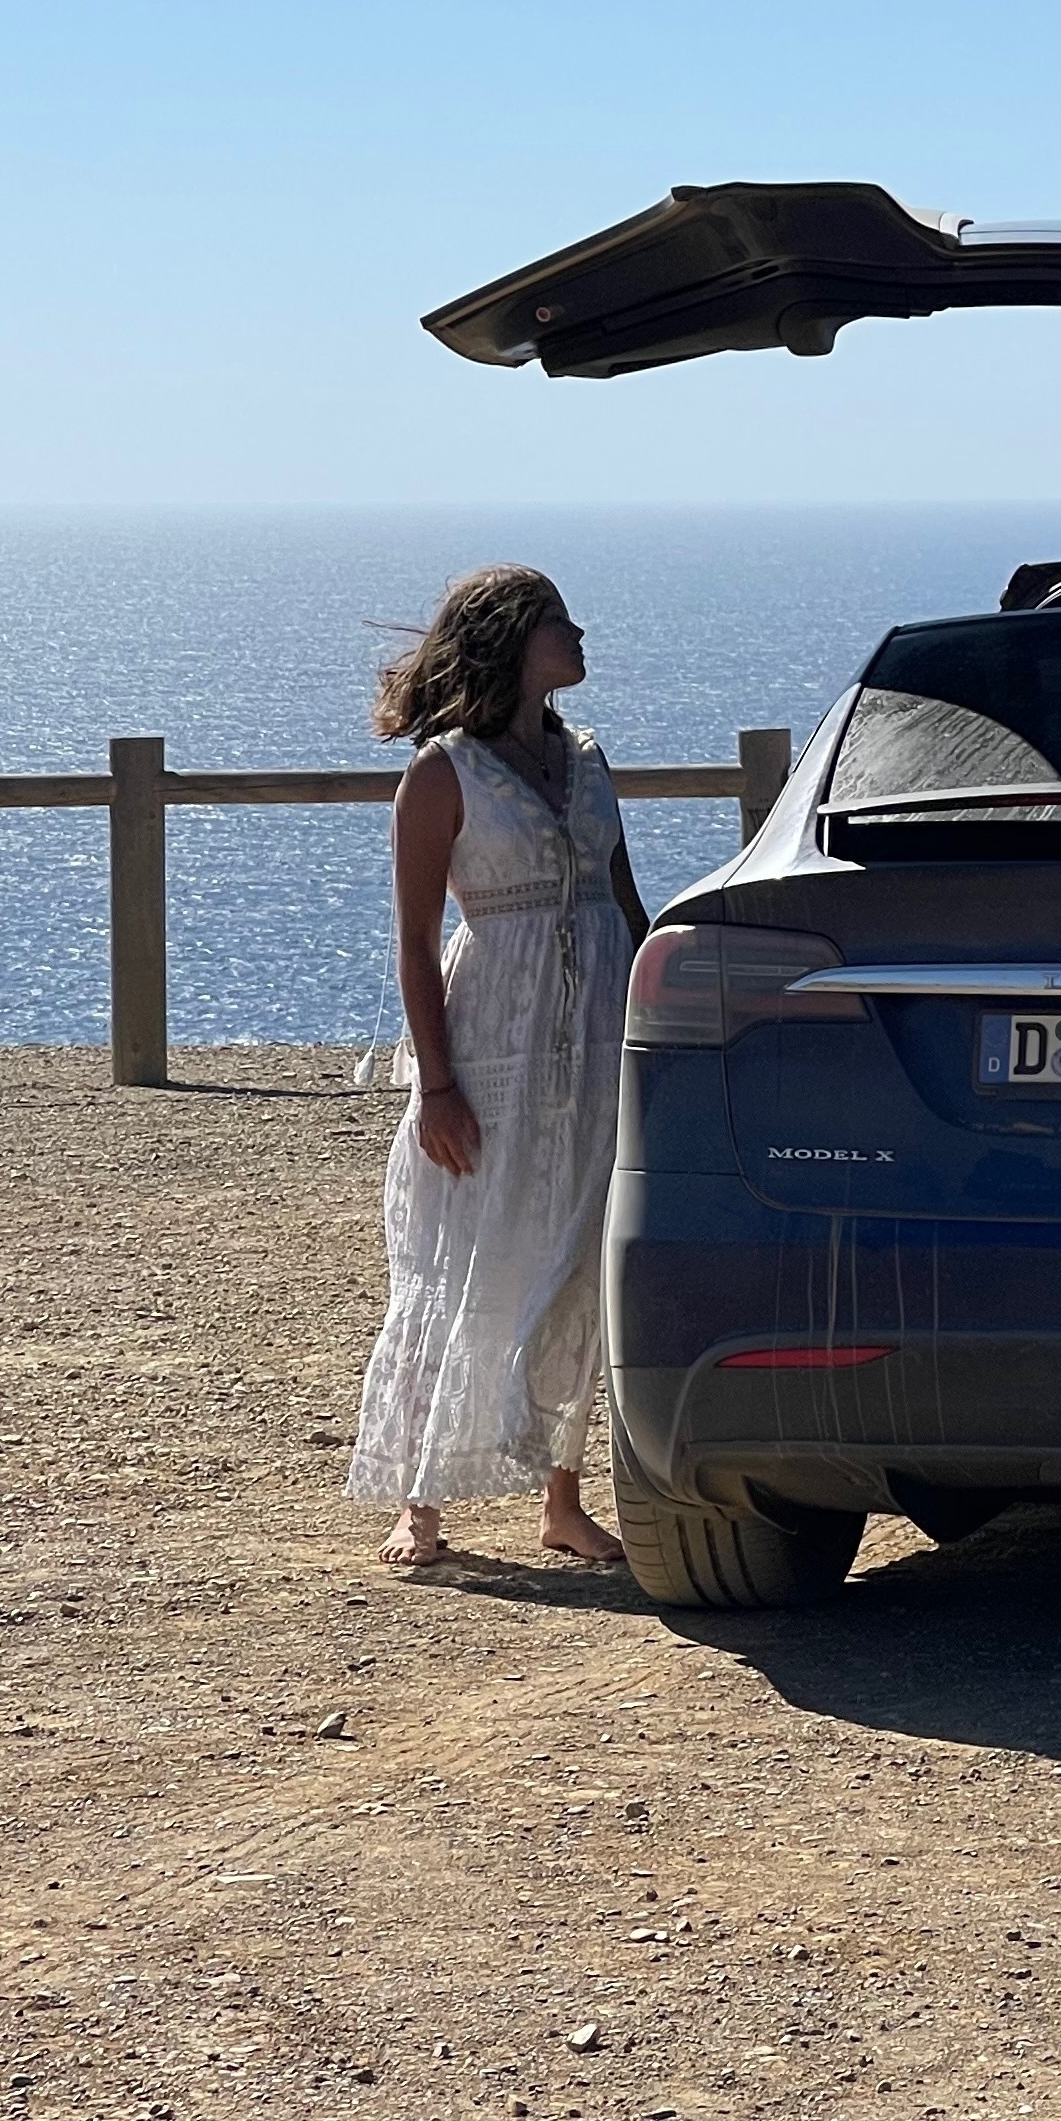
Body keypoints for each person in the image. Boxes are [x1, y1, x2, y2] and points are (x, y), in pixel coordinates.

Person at [346, 565, 650, 1568]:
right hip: (494, 1042)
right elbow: (415, 939)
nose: (579, 631)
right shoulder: (443, 773)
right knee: (459, 1253)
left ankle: (561, 1498)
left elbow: (628, 906)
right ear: (515, 639)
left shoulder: (591, 761)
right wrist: (435, 1083)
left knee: (575, 1261)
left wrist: (667, 1030)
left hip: (598, 1037)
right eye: (561, 619)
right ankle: (419, 1500)